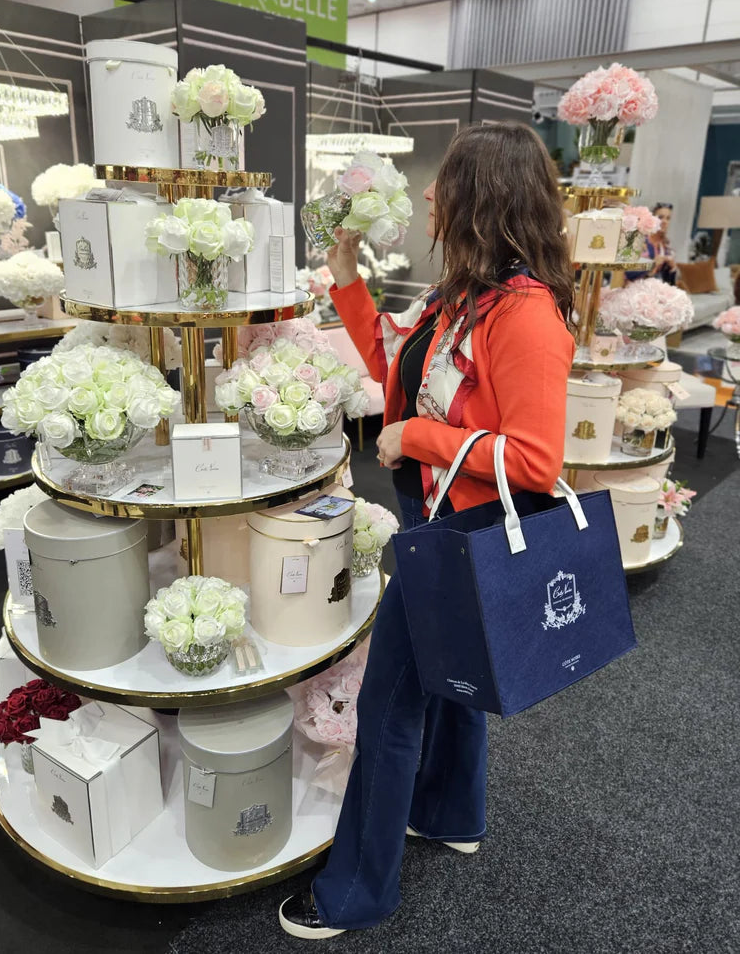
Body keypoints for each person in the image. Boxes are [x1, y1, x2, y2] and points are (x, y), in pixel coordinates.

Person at [278, 122, 576, 940]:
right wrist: (347, 282)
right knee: (450, 679)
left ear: (482, 199)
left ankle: (357, 890)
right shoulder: (465, 298)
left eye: (444, 184)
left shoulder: (524, 316)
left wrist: (417, 440)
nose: (427, 196)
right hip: (441, 524)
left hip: (465, 531)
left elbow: (539, 460)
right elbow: (394, 371)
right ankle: (452, 810)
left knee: (392, 700)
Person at [625, 202, 677, 284]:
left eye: (668, 218)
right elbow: (627, 272)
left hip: (656, 288)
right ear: (652, 219)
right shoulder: (640, 240)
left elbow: (670, 283)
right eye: (660, 217)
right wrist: (652, 264)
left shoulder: (665, 246)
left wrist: (673, 268)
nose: (664, 221)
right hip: (635, 287)